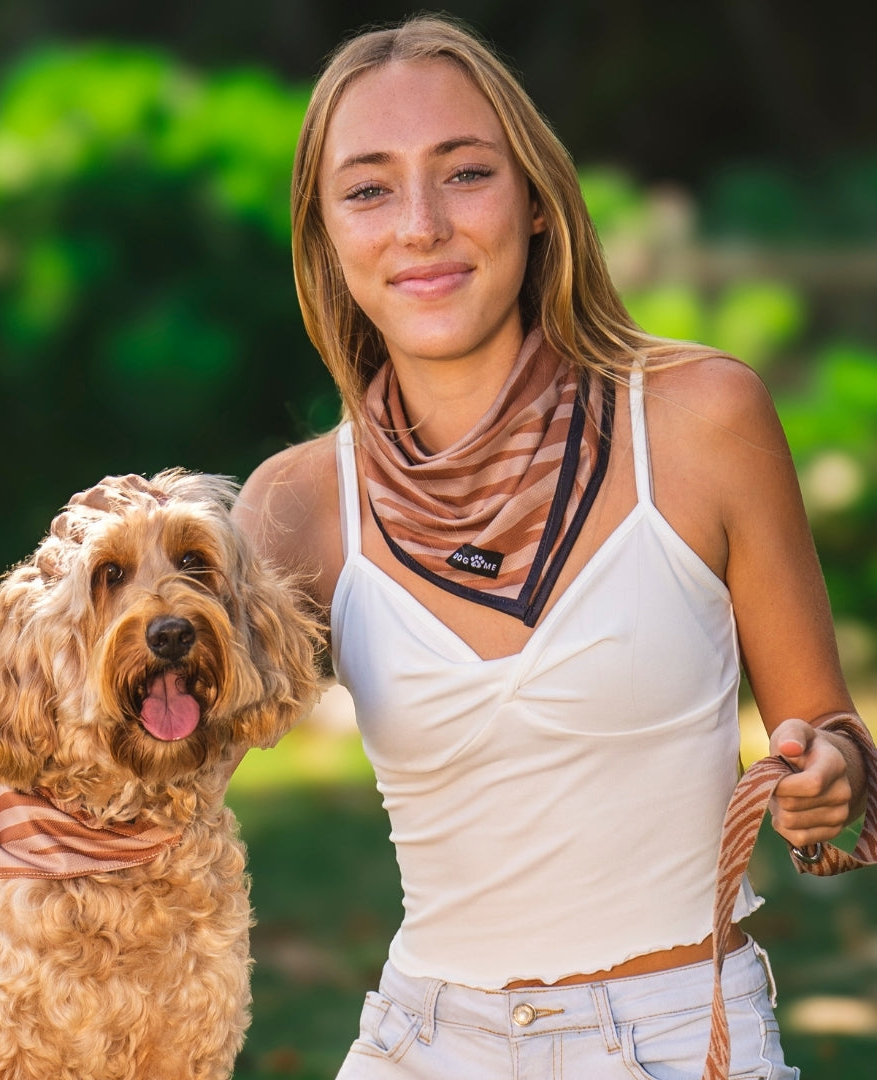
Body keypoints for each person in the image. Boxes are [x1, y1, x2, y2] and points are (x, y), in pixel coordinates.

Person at [232, 14, 869, 1078]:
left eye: (465, 173)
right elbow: (151, 771)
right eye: (369, 190)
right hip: (421, 1044)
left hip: (678, 1038)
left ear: (535, 200)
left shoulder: (701, 422)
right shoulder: (297, 508)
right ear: (327, 238)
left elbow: (829, 726)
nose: (421, 225)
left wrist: (827, 775)